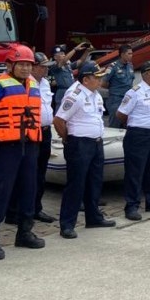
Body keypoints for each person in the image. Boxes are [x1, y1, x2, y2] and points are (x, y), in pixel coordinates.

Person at [0, 45, 44, 260]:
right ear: (9, 65)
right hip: (7, 147)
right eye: (21, 64)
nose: (25, 68)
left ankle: (24, 232)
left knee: (28, 190)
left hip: (30, 145)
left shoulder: (33, 85)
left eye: (29, 64)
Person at [53, 61, 115, 238]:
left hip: (95, 143)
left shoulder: (94, 94)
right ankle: (67, 224)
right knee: (76, 184)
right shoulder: (75, 94)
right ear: (86, 79)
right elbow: (59, 120)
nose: (100, 81)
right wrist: (67, 139)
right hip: (79, 144)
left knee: (94, 182)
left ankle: (93, 217)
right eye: (97, 78)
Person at [117, 60, 150, 220]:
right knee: (135, 171)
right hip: (138, 135)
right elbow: (121, 114)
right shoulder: (135, 92)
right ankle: (131, 206)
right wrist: (137, 126)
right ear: (147, 73)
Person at [31, 52, 56, 224]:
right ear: (32, 67)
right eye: (42, 67)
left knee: (41, 173)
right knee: (29, 173)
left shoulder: (45, 83)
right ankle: (18, 209)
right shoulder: (26, 83)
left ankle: (36, 208)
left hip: (45, 131)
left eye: (47, 67)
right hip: (32, 132)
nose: (46, 70)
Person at [49, 42, 92, 111]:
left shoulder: (67, 66)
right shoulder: (54, 66)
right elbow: (64, 60)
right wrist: (75, 49)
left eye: (63, 54)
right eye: (60, 54)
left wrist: (87, 51)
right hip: (62, 91)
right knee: (60, 111)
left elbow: (80, 61)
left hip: (71, 90)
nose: (63, 55)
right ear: (55, 57)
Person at [102, 44, 135, 128]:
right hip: (116, 100)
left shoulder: (130, 66)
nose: (131, 55)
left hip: (128, 99)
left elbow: (131, 82)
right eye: (129, 53)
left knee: (128, 124)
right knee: (115, 125)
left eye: (131, 53)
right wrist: (115, 89)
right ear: (122, 54)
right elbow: (103, 83)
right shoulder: (113, 66)